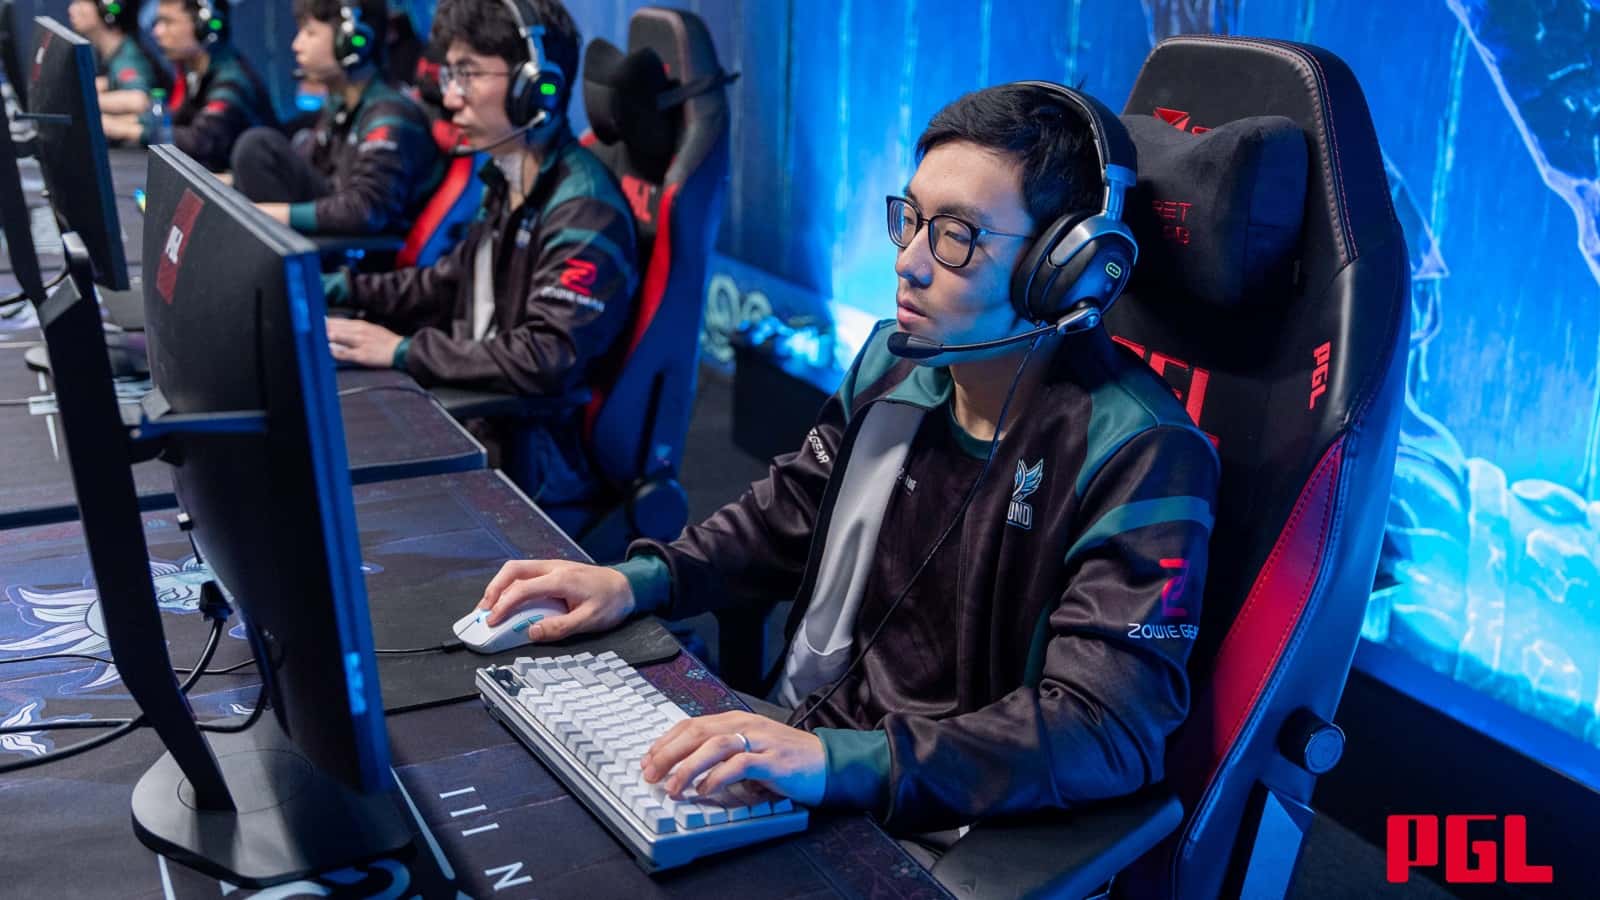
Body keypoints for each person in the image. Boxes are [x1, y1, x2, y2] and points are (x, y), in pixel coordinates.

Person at [468, 83, 1222, 857]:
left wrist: (838, 763)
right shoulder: (898, 366)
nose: (910, 262)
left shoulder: (1142, 454)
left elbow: (1104, 730)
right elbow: (784, 517)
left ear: (1064, 270)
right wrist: (635, 581)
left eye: (956, 236)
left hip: (943, 823)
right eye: (913, 220)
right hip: (806, 753)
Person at [322, 0, 638, 508]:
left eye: (467, 75)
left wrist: (404, 351)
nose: (449, 98)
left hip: (531, 459)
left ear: (535, 86)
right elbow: (447, 282)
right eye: (451, 75)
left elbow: (545, 355)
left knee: (332, 477)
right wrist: (339, 289)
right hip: (477, 415)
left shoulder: (584, 212)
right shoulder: (509, 179)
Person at [231, 0, 442, 236]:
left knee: (257, 148)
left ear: (351, 43)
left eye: (310, 33)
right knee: (259, 155)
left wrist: (268, 215)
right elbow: (311, 170)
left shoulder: (391, 114)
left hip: (358, 252)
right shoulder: (341, 105)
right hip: (332, 238)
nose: (296, 45)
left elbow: (364, 210)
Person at [103, 0, 276, 171]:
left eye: (168, 22)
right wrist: (119, 123)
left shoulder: (231, 79)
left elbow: (201, 141)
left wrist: (125, 130)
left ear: (203, 28)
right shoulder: (192, 72)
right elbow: (175, 119)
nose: (157, 32)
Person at [67, 0, 170, 142]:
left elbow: (137, 100)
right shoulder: (108, 51)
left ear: (105, 10)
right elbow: (113, 81)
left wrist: (80, 100)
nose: (72, 10)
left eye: (81, 3)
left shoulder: (127, 58)